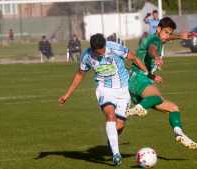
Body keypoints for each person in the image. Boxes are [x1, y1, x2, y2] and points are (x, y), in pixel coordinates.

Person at [58, 33, 148, 166]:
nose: (102, 53)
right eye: (98, 51)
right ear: (93, 49)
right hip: (104, 90)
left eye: (103, 49)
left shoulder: (115, 48)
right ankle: (116, 155)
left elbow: (133, 57)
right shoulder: (87, 56)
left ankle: (111, 141)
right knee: (110, 115)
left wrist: (146, 73)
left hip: (123, 90)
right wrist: (67, 94)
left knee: (120, 125)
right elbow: (79, 74)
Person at [127, 17, 197, 150]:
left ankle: (179, 133)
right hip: (137, 78)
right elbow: (152, 49)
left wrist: (179, 36)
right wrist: (157, 57)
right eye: (166, 32)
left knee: (173, 108)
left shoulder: (159, 37)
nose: (168, 36)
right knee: (158, 97)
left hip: (140, 80)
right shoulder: (155, 41)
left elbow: (164, 38)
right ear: (158, 29)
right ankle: (139, 108)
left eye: (170, 33)